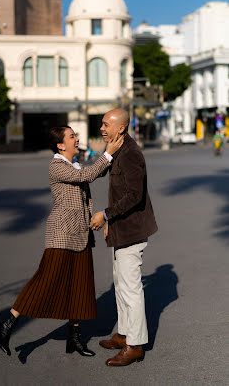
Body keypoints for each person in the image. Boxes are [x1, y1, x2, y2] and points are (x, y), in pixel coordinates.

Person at [0, 126, 123, 358]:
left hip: (80, 232)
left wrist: (112, 154)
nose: (77, 139)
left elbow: (92, 172)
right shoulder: (57, 166)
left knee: (79, 285)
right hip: (61, 233)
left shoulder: (75, 165)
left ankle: (75, 337)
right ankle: (5, 325)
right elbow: (86, 176)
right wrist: (108, 154)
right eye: (72, 137)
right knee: (45, 279)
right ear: (61, 145)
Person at [90, 109, 158, 366]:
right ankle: (124, 333)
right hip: (120, 229)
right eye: (102, 124)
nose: (102, 129)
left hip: (131, 231)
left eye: (106, 125)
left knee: (131, 290)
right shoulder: (118, 149)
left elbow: (134, 195)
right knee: (120, 285)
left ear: (121, 128)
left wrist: (106, 216)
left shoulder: (131, 153)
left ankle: (135, 345)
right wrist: (112, 221)